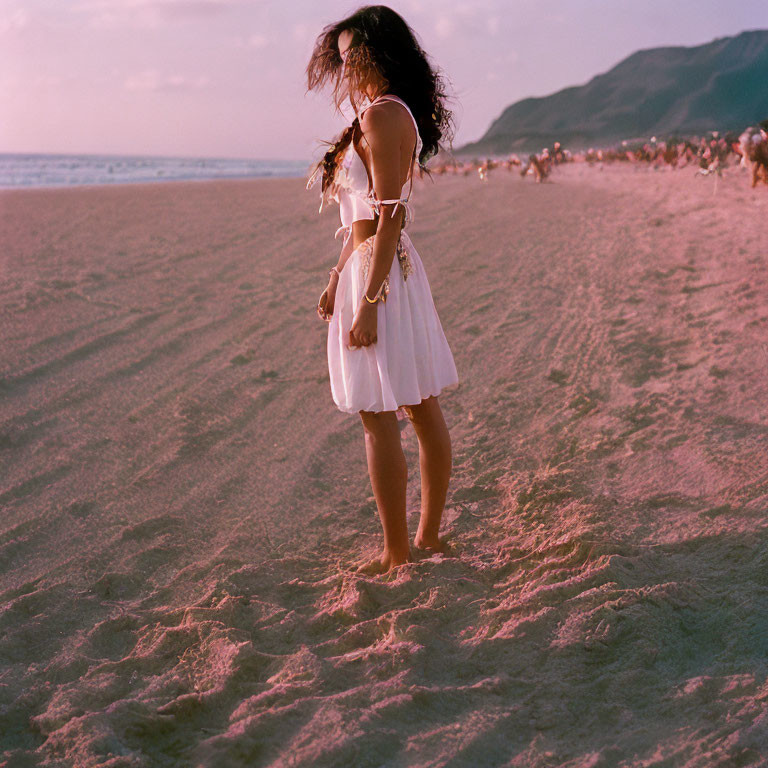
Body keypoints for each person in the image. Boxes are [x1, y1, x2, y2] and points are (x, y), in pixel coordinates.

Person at [305, 5, 460, 575]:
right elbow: (362, 220)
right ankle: (419, 541)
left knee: (395, 412)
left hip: (383, 276)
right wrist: (334, 278)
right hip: (370, 267)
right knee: (411, 407)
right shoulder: (376, 114)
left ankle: (410, 546)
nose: (345, 67)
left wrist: (368, 301)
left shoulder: (385, 114)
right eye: (340, 57)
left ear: (377, 51)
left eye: (352, 55)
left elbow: (392, 215)